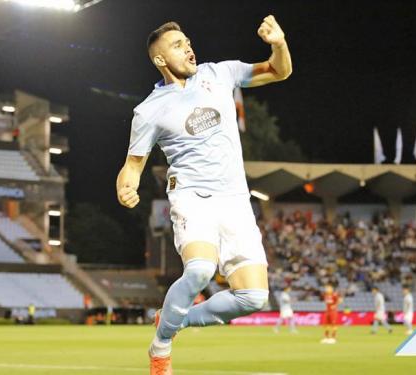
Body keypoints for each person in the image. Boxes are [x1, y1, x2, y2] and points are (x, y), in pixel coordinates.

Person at [116, 15, 292, 374]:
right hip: (193, 197)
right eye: (177, 45)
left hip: (236, 201)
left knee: (254, 297)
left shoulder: (220, 73)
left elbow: (279, 71)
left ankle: (176, 320)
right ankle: (161, 348)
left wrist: (278, 43)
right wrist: (125, 185)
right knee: (199, 269)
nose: (188, 47)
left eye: (187, 41)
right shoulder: (149, 110)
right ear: (160, 59)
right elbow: (133, 164)